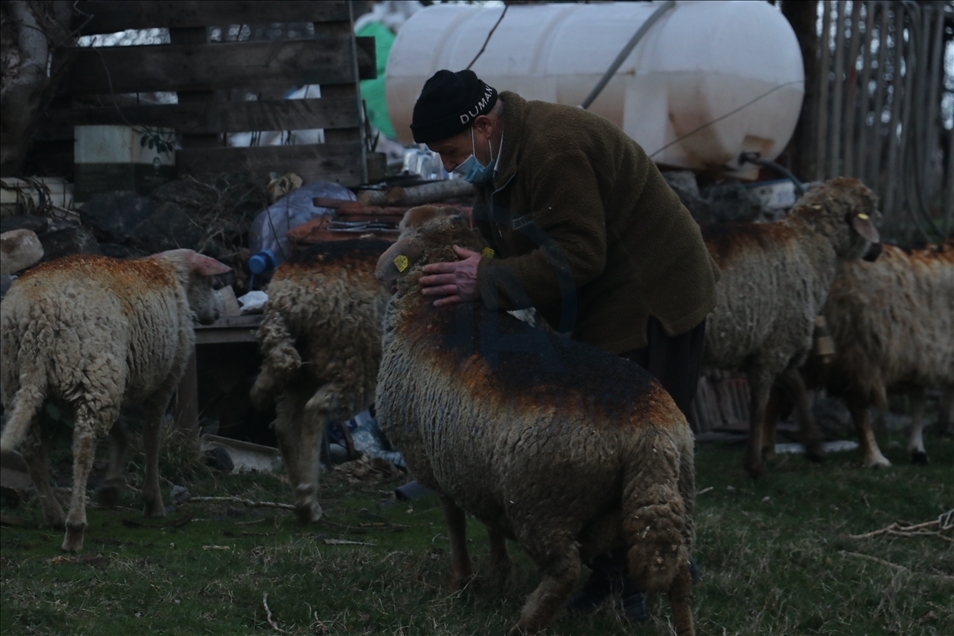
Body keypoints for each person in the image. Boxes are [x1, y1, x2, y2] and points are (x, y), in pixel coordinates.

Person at [409, 69, 719, 621]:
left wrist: (484, 281)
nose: (448, 166)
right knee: (598, 435)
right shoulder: (502, 155)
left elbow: (580, 254)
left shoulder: (553, 148)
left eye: (451, 152)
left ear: (483, 125)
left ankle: (632, 582)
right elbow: (508, 224)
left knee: (633, 435)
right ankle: (628, 566)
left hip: (650, 291)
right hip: (602, 294)